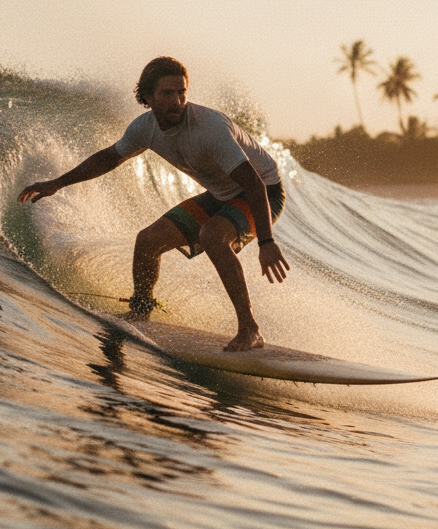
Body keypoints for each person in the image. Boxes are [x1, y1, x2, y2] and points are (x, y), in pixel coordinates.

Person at [18, 57, 289, 352]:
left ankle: (250, 330)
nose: (177, 101)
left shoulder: (210, 128)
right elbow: (109, 157)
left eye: (181, 92)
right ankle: (141, 309)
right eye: (167, 93)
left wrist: (266, 242)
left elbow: (254, 184)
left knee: (212, 235)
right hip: (222, 193)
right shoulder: (144, 128)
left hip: (263, 191)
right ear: (147, 96)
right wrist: (56, 183)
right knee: (148, 241)